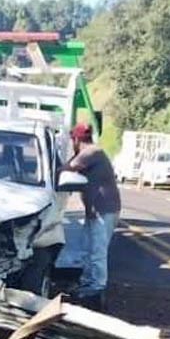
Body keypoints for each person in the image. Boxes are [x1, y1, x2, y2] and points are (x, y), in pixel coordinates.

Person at [64, 122, 122, 312]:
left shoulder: (91, 153)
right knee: (88, 249)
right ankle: (87, 283)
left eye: (72, 139)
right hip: (95, 210)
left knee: (97, 251)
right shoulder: (91, 152)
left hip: (104, 210)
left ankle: (97, 289)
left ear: (76, 139)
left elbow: (69, 168)